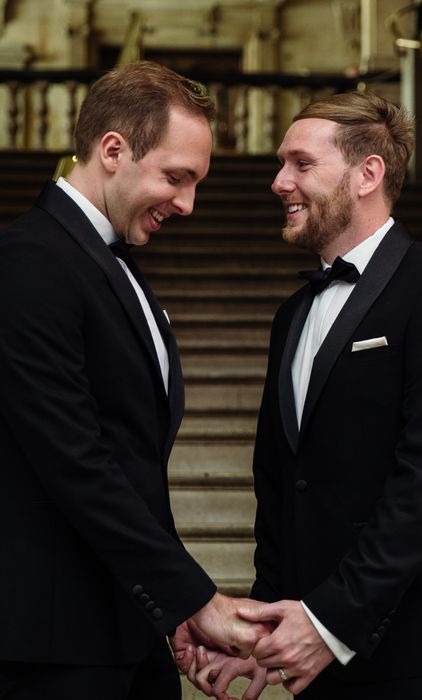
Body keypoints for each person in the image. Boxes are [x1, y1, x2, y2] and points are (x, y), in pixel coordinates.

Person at [185, 90, 422, 699]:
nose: (279, 182)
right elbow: (279, 484)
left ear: (368, 173)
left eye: (301, 164)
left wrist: (330, 620)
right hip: (318, 656)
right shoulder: (292, 315)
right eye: (282, 163)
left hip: (421, 652)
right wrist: (266, 628)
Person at [0, 61, 263, 700]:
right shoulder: (29, 261)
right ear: (113, 150)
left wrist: (167, 609)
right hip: (52, 647)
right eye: (176, 178)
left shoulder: (109, 263)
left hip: (125, 629)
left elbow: (132, 467)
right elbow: (75, 459)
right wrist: (193, 596)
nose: (188, 204)